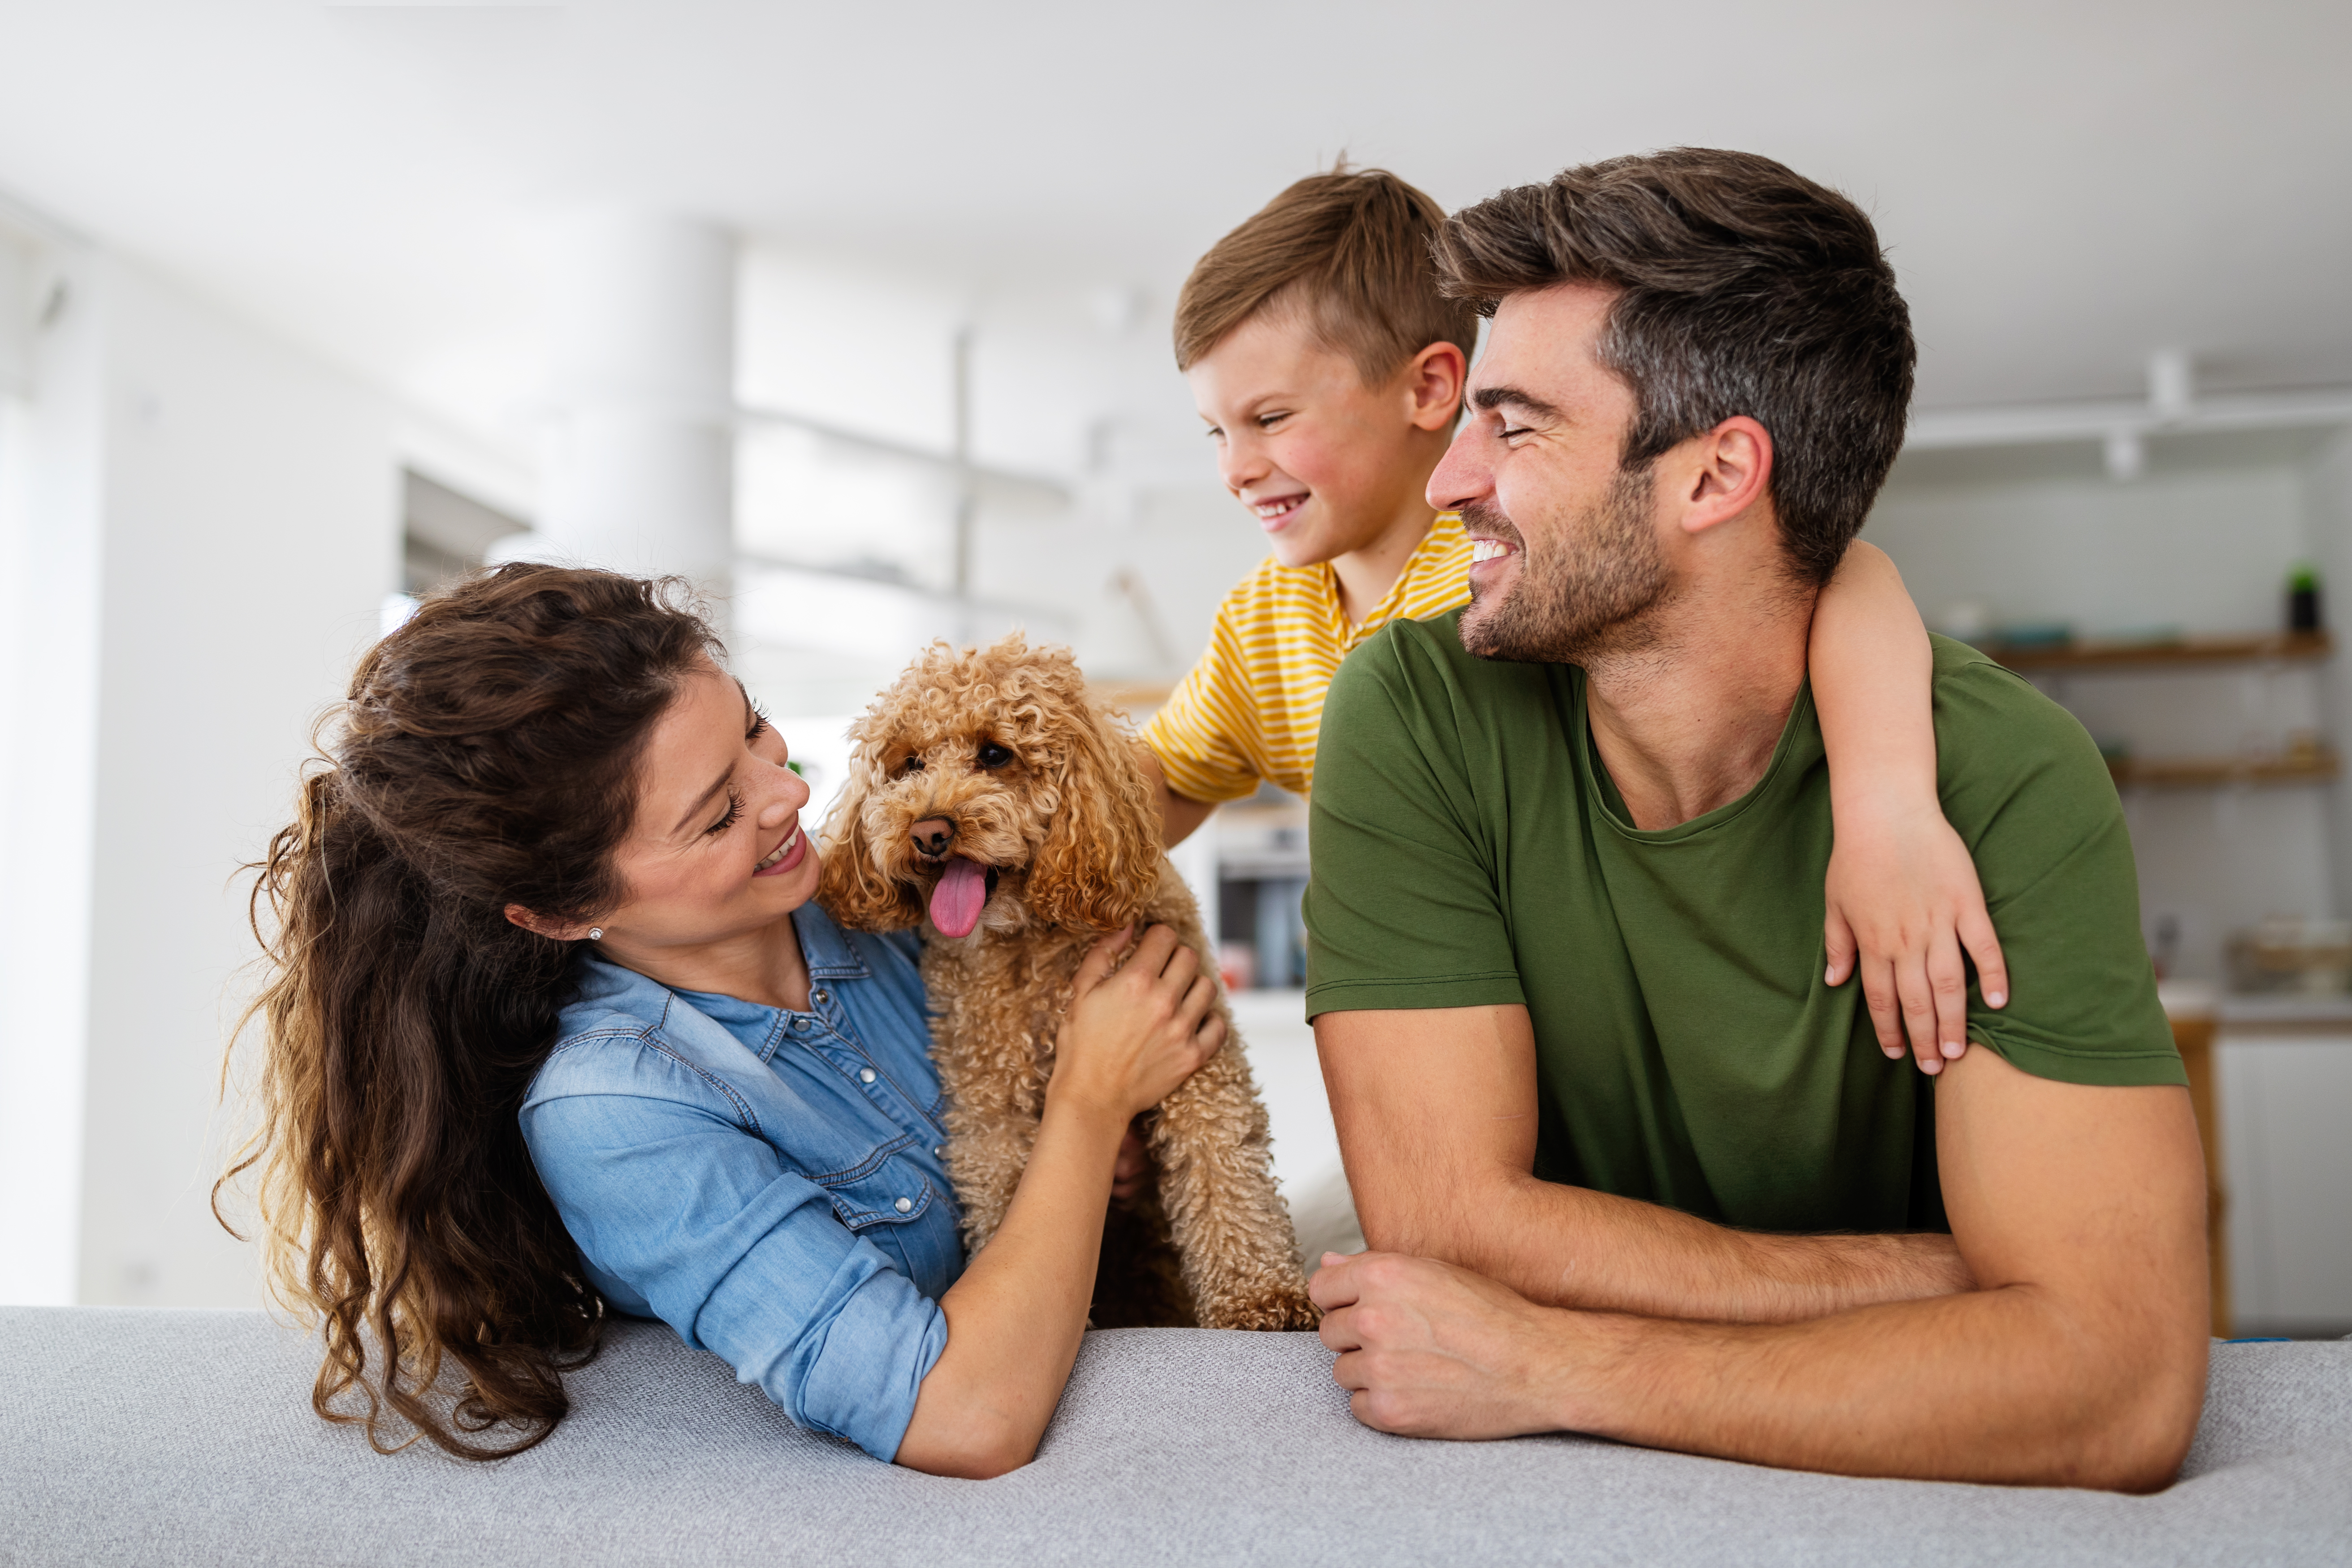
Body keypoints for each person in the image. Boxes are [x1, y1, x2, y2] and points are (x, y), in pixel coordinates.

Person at [1301, 149, 2209, 1491]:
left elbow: (2115, 1386)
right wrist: (1951, 1285)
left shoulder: (2003, 776)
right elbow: (1445, 1226)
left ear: (1717, 473)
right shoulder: (1415, 711)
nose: (1447, 482)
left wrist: (1556, 1362)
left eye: (1518, 425)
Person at [227, 564, 1221, 1477]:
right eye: (715, 815)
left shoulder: (889, 891)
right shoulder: (614, 1111)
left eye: (756, 730)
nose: (791, 794)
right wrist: (1089, 1108)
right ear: (564, 910)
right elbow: (962, 1417)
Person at [1145, 165, 2006, 1071]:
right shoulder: (1261, 622)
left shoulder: (1526, 561)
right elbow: (1154, 787)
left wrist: (1887, 811)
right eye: (1215, 432)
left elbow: (1845, 578)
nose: (1234, 468)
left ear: (1430, 389)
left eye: (1270, 417)